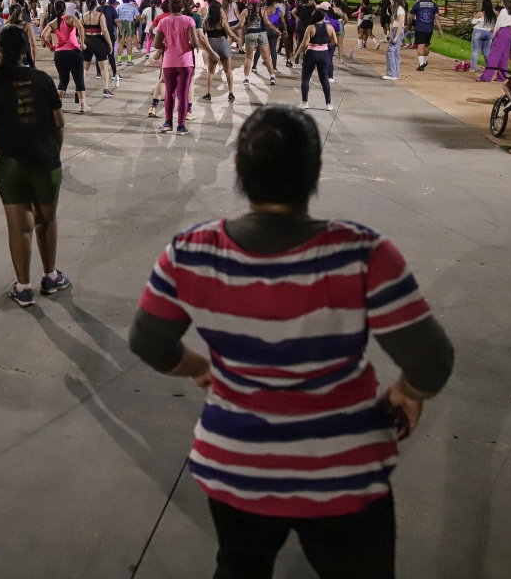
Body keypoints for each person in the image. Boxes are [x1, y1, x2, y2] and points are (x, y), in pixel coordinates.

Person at [130, 104, 453, 579]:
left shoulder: (190, 252)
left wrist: (201, 369)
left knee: (240, 568)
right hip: (344, 473)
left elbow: (149, 343)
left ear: (238, 168)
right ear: (314, 170)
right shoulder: (362, 254)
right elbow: (431, 361)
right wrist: (406, 392)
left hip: (235, 466)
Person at [0, 25, 71, 308]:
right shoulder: (42, 79)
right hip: (46, 162)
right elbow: (59, 124)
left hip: (10, 166)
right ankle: (51, 277)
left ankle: (24, 288)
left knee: (19, 229)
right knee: (46, 221)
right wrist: (53, 155)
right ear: (26, 50)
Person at [153, 0, 197, 135]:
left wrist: (167, 47)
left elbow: (156, 44)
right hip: (185, 62)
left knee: (169, 92)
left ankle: (168, 122)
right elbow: (195, 42)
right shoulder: (189, 20)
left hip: (169, 61)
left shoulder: (163, 22)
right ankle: (181, 126)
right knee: (183, 94)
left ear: (169, 7)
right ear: (182, 7)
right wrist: (187, 46)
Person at [40, 0, 87, 114]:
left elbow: (43, 35)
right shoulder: (71, 19)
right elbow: (81, 27)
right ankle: (83, 105)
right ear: (65, 9)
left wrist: (50, 46)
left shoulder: (53, 23)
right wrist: (82, 42)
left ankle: (58, 105)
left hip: (60, 54)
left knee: (63, 81)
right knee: (79, 79)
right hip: (74, 52)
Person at [296, 9, 336, 110]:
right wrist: (325, 44)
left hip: (312, 53)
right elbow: (334, 41)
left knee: (305, 79)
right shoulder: (329, 27)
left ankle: (305, 102)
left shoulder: (311, 27)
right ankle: (328, 104)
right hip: (324, 54)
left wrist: (297, 54)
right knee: (324, 80)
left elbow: (304, 43)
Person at [201, 0, 237, 102]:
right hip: (223, 45)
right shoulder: (222, 21)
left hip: (212, 46)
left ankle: (208, 93)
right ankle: (230, 93)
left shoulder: (205, 22)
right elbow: (230, 33)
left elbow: (201, 36)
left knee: (211, 72)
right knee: (228, 71)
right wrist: (238, 39)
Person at [238, 0, 275, 86]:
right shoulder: (262, 11)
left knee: (248, 57)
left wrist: (231, 28)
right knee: (266, 57)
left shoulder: (245, 11)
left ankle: (246, 78)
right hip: (262, 33)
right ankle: (272, 76)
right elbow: (268, 23)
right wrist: (276, 29)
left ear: (249, 1)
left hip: (250, 33)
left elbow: (240, 25)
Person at [81, 0, 115, 97]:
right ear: (95, 5)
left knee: (85, 67)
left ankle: (80, 87)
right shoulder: (100, 15)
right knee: (104, 67)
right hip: (98, 41)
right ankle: (106, 90)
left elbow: (80, 29)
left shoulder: (83, 16)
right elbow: (104, 30)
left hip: (87, 41)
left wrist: (81, 41)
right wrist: (110, 43)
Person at [481, 0, 511, 83]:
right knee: (505, 55)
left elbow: (498, 24)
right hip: (509, 31)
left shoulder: (503, 10)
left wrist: (494, 33)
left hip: (502, 31)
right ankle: (501, 76)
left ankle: (486, 77)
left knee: (494, 54)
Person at [408, 0, 443, 71]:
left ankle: (421, 64)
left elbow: (411, 16)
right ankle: (424, 61)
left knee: (420, 45)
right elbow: (437, 19)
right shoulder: (434, 5)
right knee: (427, 45)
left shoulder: (417, 4)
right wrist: (440, 30)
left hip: (420, 27)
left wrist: (408, 24)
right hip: (429, 28)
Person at [96, 0, 120, 85]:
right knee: (111, 54)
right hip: (109, 33)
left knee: (99, 54)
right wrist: (120, 31)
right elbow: (117, 21)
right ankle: (114, 73)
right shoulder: (111, 9)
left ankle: (98, 73)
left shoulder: (97, 10)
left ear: (98, 1)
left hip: (99, 34)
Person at [383, 0, 407, 81]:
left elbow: (400, 23)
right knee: (396, 53)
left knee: (390, 52)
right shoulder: (397, 9)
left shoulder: (400, 9)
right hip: (396, 30)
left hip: (397, 30)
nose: (390, 0)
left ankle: (391, 73)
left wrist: (396, 37)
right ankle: (396, 74)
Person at [470, 0, 496, 72]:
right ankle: (489, 68)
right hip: (488, 33)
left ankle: (473, 68)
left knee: (475, 51)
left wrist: (475, 16)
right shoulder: (493, 15)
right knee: (487, 52)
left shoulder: (480, 14)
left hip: (478, 32)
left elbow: (473, 22)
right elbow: (494, 24)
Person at [117, 0, 139, 65]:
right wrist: (135, 23)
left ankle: (119, 60)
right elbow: (138, 17)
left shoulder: (118, 7)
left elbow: (115, 17)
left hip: (121, 25)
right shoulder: (132, 7)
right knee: (129, 44)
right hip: (129, 24)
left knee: (120, 44)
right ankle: (129, 61)